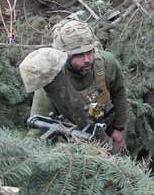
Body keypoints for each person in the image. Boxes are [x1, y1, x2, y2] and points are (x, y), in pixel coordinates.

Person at [25, 18, 129, 151]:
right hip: (74, 144)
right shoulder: (53, 84)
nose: (87, 60)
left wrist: (118, 129)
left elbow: (119, 93)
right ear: (64, 56)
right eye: (79, 55)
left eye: (90, 51)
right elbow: (38, 129)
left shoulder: (106, 63)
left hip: (107, 127)